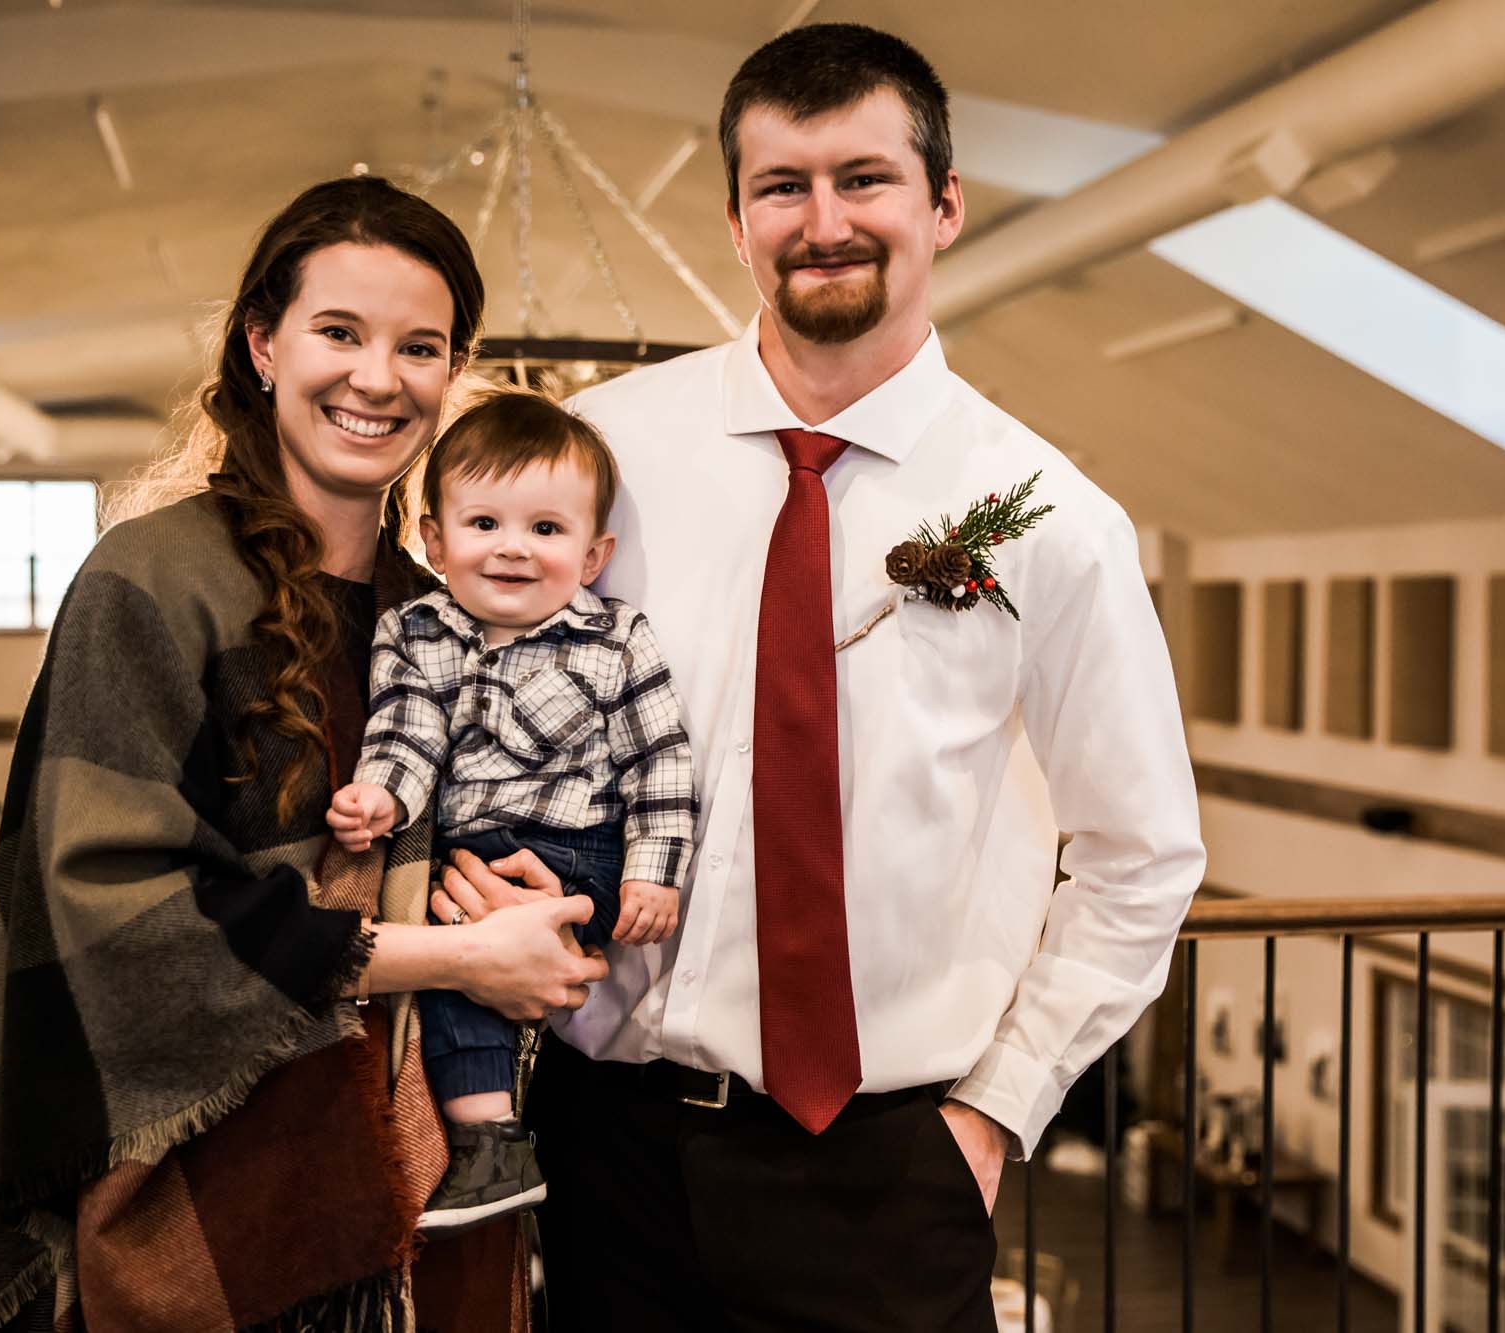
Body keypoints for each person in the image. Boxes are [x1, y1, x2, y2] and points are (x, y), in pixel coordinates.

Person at [431, 24, 1207, 1331]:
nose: (824, 219)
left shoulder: (1046, 516)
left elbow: (1143, 854)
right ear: (736, 223)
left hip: (892, 1170)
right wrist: (470, 872)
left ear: (944, 206)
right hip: (611, 1147)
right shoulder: (605, 457)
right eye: (782, 186)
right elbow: (493, 697)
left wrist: (992, 1113)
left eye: (866, 178)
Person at [0, 176, 605, 1333]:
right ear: (260, 343)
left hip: (410, 1183)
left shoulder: (434, 608)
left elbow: (485, 827)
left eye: (420, 346)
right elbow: (118, 914)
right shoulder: (150, 578)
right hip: (214, 1192)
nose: (378, 377)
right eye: (338, 332)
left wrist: (523, 889)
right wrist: (453, 957)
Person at [327, 389, 695, 1235]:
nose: (512, 550)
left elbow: (658, 758)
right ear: (433, 539)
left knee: (484, 939)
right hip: (469, 851)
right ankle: (490, 1140)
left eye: (546, 530)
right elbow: (408, 728)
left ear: (594, 552)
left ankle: (500, 1129)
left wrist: (652, 868)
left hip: (587, 847)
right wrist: (381, 793)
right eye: (484, 523)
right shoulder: (414, 631)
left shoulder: (617, 637)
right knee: (447, 962)